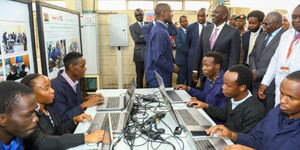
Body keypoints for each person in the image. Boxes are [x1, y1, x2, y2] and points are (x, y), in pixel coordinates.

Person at [207, 70, 300, 150]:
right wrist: (232, 135)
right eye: (282, 93)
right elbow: (255, 139)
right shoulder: (275, 112)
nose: (282, 100)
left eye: (291, 98)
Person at [20, 74, 104, 149]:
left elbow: (59, 131)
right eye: (46, 88)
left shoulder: (48, 108)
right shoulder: (30, 118)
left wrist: (74, 121)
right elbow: (44, 142)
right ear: (31, 95)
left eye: (51, 86)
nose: (52, 90)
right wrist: (86, 138)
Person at [187, 65, 265, 133]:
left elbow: (249, 139)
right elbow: (224, 114)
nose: (223, 87)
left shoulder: (255, 111)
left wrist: (230, 135)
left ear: (242, 87)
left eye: (228, 85)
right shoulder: (233, 97)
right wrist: (205, 106)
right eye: (224, 83)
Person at [259, 5, 300, 107]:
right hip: (280, 87)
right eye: (294, 17)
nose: (297, 20)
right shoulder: (286, 35)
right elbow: (275, 60)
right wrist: (265, 82)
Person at [192, 5, 241, 85]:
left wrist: (229, 75)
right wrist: (195, 69)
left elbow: (234, 57)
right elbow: (199, 51)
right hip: (205, 75)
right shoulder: (206, 29)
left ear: (224, 15)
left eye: (216, 12)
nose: (212, 15)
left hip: (221, 76)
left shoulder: (233, 32)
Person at [51, 52, 104, 122]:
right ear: (72, 67)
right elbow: (62, 118)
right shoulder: (57, 87)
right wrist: (84, 105)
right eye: (82, 66)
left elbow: (74, 101)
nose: (85, 69)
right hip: (71, 127)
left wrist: (87, 98)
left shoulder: (76, 79)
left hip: (82, 118)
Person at [175, 52, 226, 123]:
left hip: (215, 122)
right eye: (203, 65)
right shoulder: (210, 78)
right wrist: (188, 89)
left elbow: (222, 112)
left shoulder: (225, 84)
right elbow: (205, 96)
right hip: (206, 114)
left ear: (217, 66)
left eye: (207, 65)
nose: (203, 68)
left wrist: (203, 105)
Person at [249, 12, 284, 112]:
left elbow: (278, 62)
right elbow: (252, 55)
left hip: (270, 86)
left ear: (277, 24)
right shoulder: (261, 36)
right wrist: (254, 70)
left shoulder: (284, 38)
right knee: (255, 112)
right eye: (263, 23)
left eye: (267, 24)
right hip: (255, 82)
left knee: (267, 113)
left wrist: (258, 73)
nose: (263, 26)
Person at [145, 3, 179, 88]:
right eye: (170, 11)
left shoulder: (161, 29)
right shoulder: (159, 31)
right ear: (163, 13)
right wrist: (172, 67)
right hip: (158, 77)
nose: (172, 14)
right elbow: (158, 57)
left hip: (160, 75)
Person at [0, 81, 39, 150]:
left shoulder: (20, 136)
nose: (36, 118)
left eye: (35, 111)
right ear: (2, 120)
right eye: (28, 115)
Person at [186, 8, 212, 86]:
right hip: (193, 60)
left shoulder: (212, 27)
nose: (200, 18)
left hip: (207, 60)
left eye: (203, 16)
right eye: (199, 16)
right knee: (191, 82)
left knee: (206, 82)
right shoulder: (191, 28)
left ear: (206, 15)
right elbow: (187, 44)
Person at [129, 8, 147, 88]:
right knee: (139, 75)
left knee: (150, 75)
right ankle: (139, 92)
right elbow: (136, 39)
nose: (139, 16)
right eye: (137, 15)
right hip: (139, 55)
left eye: (140, 14)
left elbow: (152, 37)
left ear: (143, 14)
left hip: (149, 53)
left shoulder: (149, 24)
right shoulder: (132, 27)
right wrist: (146, 36)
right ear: (135, 16)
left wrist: (142, 36)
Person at [174, 15, 188, 84]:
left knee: (188, 79)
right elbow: (179, 46)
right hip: (181, 60)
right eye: (183, 21)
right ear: (180, 22)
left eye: (186, 21)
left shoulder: (190, 30)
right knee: (181, 79)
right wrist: (190, 52)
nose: (185, 23)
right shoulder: (177, 32)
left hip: (189, 60)